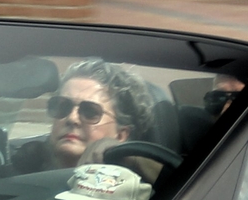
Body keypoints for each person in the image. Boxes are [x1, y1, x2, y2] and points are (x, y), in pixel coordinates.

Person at [14, 59, 159, 176]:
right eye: (63, 106)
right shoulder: (21, 164)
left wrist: (129, 158)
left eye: (90, 112)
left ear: (121, 135)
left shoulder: (136, 186)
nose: (72, 119)